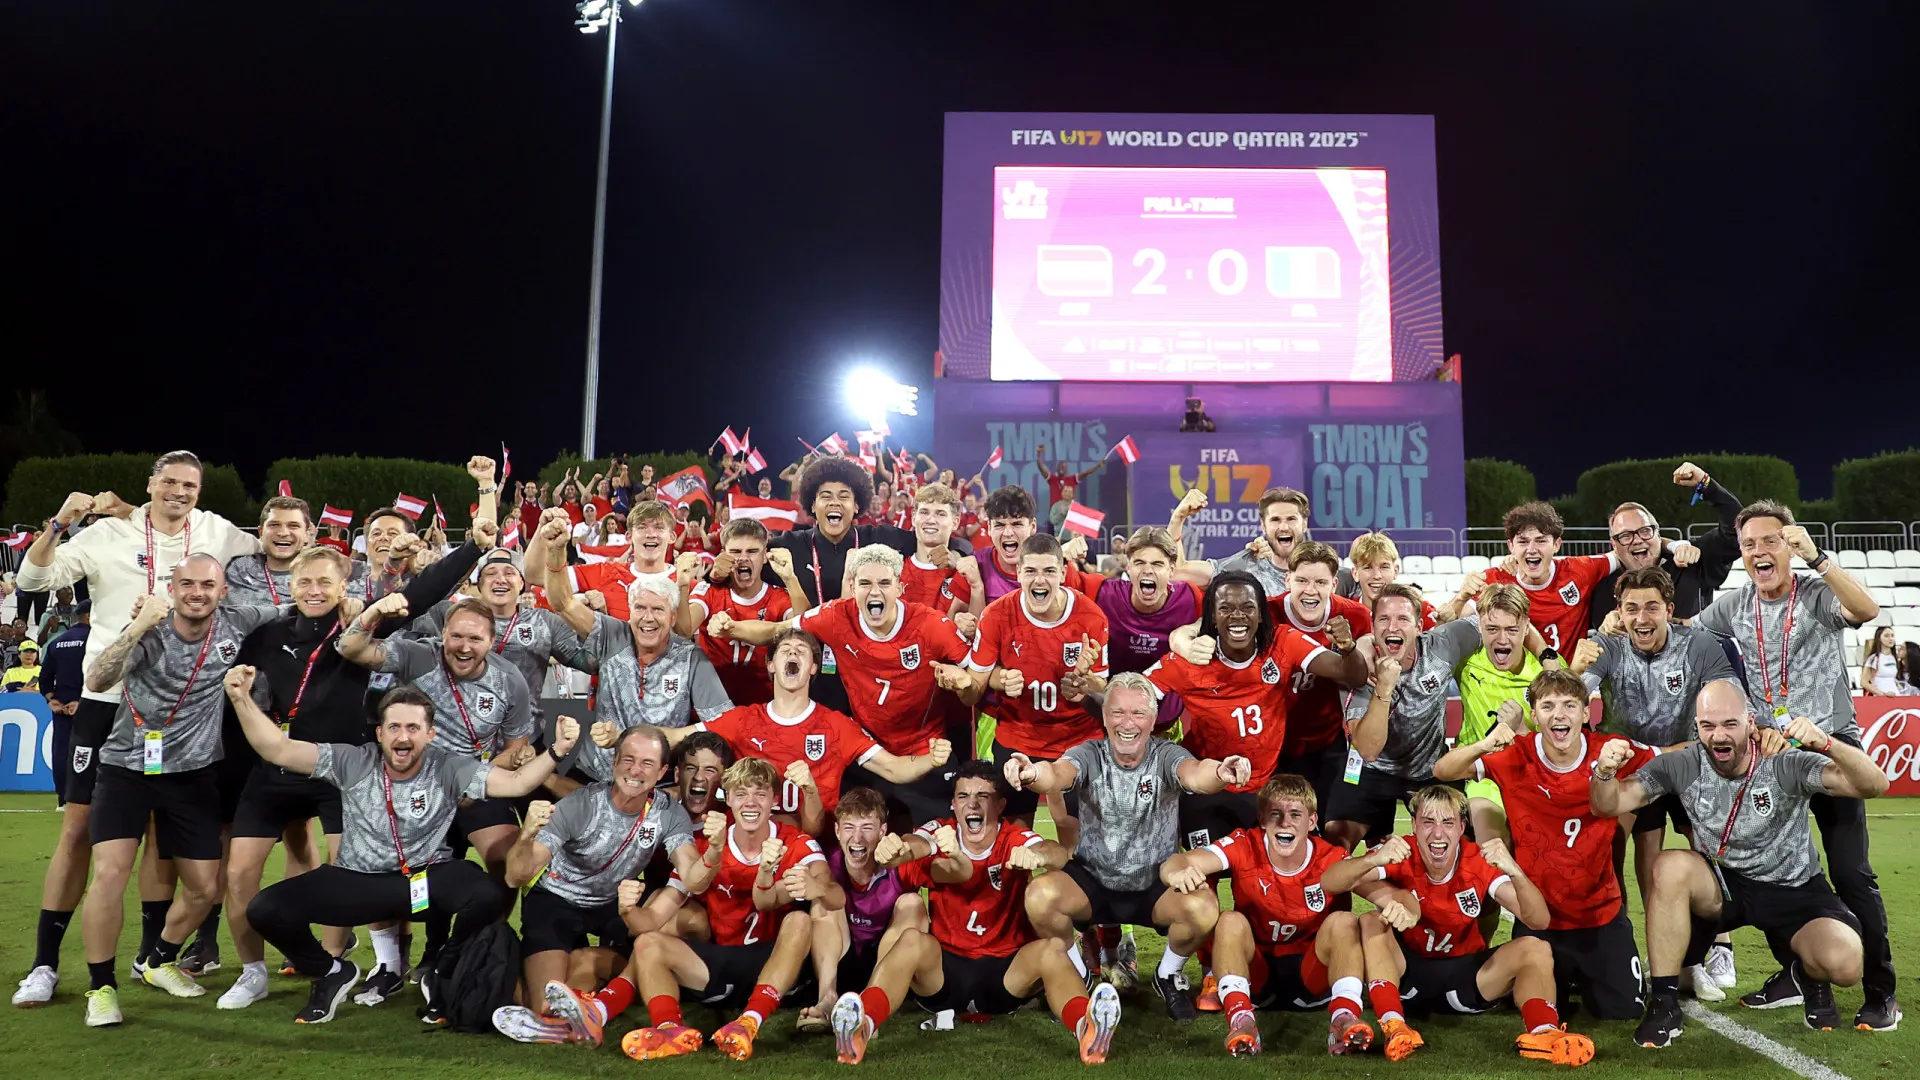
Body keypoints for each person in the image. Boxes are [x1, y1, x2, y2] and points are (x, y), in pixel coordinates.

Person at [11, 452, 262, 1008]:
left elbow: (275, 553)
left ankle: (154, 959)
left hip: (179, 711)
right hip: (106, 699)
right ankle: (45, 965)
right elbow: (34, 576)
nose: (178, 492)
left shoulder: (216, 531)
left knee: (164, 840)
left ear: (200, 490)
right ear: (150, 484)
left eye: (189, 484)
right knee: (78, 833)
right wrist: (59, 524)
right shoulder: (106, 535)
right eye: (168, 482)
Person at [232, 679, 575, 1024]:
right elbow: (277, 748)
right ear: (379, 733)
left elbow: (517, 783)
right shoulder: (352, 760)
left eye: (413, 727)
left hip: (424, 881)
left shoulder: (449, 766)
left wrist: (557, 750)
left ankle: (442, 969)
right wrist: (241, 697)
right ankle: (331, 972)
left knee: (486, 892)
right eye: (394, 727)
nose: (403, 736)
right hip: (359, 882)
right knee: (265, 909)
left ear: (430, 735)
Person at [1688, 500, 1898, 1029]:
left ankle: (1881, 991)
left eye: (1771, 541)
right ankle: (1796, 971)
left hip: (1827, 742)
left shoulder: (1816, 594)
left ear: (1789, 545)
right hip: (1768, 754)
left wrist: (1819, 558)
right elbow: (1685, 628)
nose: (1760, 551)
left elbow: (1867, 611)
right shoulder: (1735, 606)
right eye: (1750, 544)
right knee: (1768, 869)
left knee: (1851, 873)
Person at [1593, 681, 1891, 1045]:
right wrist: (1605, 773)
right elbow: (1609, 805)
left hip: (1794, 888)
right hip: (1724, 885)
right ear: (1697, 727)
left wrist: (1825, 743)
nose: (1718, 735)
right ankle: (1665, 1004)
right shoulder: (1683, 764)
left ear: (1751, 722)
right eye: (1708, 726)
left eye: (1729, 724)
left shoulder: (1783, 760)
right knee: (1669, 866)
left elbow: (1875, 785)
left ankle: (1804, 974)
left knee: (1845, 965)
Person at [70, 554, 279, 1025]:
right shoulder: (152, 630)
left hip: (192, 774)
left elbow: (299, 605)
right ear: (173, 586)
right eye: (187, 584)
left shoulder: (239, 620)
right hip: (126, 767)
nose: (197, 593)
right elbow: (97, 678)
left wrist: (355, 605)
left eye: (208, 584)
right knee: (109, 875)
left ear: (223, 590)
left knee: (206, 887)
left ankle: (157, 960)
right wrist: (138, 625)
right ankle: (101, 988)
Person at [829, 760, 1120, 1066]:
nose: (972, 803)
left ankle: (1085, 1027)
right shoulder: (941, 833)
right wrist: (897, 848)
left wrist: (1037, 855)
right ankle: (863, 1025)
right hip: (945, 973)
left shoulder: (1012, 838)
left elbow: (1058, 853)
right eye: (964, 796)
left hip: (1005, 973)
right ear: (953, 804)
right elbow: (917, 843)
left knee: (1051, 949)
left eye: (983, 796)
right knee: (912, 940)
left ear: (1000, 805)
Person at [1007, 672, 1253, 1021]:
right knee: (1039, 896)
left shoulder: (1167, 754)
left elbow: (1196, 773)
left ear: (1153, 719)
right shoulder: (1088, 754)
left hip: (1154, 883)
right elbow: (1057, 774)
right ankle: (1078, 973)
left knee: (1202, 907)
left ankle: (1167, 974)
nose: (1127, 722)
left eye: (1138, 713)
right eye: (1118, 712)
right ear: (1105, 716)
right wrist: (1033, 774)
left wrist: (1222, 772)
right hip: (1093, 879)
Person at [1434, 669, 1655, 1022]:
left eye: (1570, 704)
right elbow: (1444, 770)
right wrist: (1483, 744)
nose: (1559, 714)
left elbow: (1672, 757)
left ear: (1586, 713)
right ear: (1534, 716)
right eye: (1548, 705)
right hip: (1541, 920)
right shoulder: (1514, 755)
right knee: (1541, 1006)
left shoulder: (1609, 750)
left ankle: (1592, 972)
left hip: (1599, 916)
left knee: (1623, 1011)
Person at [1321, 786, 1596, 1067]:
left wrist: (1514, 870)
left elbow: (1539, 920)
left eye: (1447, 823)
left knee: (1535, 948)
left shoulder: (1476, 859)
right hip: (1407, 978)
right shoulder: (1401, 851)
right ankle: (1394, 1025)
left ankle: (1543, 1033)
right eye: (1428, 822)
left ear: (1461, 827)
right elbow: (1329, 882)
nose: (1438, 834)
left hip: (1466, 980)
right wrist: (1374, 859)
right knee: (1371, 920)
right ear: (1414, 825)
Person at [709, 546, 973, 828]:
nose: (874, 592)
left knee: (941, 844)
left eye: (884, 583)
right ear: (852, 586)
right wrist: (731, 628)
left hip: (926, 753)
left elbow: (978, 681)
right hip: (868, 754)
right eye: (865, 583)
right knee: (855, 837)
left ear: (899, 587)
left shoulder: (931, 624)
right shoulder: (836, 616)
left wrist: (964, 682)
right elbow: (777, 631)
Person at [1569, 566, 1737, 991]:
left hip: (1687, 763)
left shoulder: (1699, 645)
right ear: (1619, 613)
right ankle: (1625, 950)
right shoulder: (1604, 646)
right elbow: (1567, 702)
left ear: (1669, 610)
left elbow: (1727, 705)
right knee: (1616, 849)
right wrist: (1574, 670)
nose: (1641, 618)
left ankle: (1709, 950)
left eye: (1651, 608)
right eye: (1631, 609)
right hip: (1630, 767)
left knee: (1709, 847)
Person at [606, 756, 830, 1062]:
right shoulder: (705, 845)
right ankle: (670, 1030)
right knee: (647, 943)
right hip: (719, 963)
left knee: (799, 920)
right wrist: (628, 910)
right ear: (729, 799)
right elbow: (653, 918)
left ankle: (749, 1022)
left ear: (774, 800)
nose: (750, 803)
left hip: (775, 961)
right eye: (741, 794)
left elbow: (829, 888)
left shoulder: (796, 842)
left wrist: (816, 885)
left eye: (760, 794)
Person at [491, 726, 703, 1046]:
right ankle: (532, 994)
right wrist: (526, 835)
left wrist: (713, 852)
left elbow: (692, 873)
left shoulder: (669, 813)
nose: (635, 770)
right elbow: (515, 877)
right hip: (557, 899)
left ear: (662, 772)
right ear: (614, 762)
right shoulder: (579, 805)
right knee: (544, 1005)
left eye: (647, 763)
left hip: (613, 905)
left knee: (646, 957)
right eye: (627, 759)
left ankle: (575, 1001)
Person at [1141, 570, 1364, 850]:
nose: (1237, 616)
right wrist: (1088, 690)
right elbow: (1128, 698)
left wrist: (1347, 646)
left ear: (1261, 615)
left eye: (1247, 608)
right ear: (1211, 616)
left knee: (1287, 870)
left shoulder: (1283, 642)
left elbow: (1351, 675)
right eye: (1225, 608)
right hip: (1208, 789)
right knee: (1206, 873)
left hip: (1265, 789)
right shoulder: (1188, 660)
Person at [1156, 773, 1374, 1057]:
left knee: (1345, 921)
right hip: (1255, 977)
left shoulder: (1329, 856)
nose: (1285, 822)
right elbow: (1182, 859)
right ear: (1262, 819)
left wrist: (1395, 901)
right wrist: (1175, 871)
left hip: (1313, 976)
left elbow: (1378, 887)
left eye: (1295, 814)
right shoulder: (1243, 844)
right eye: (1275, 814)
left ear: (1311, 821)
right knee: (1229, 920)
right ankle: (1242, 1021)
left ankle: (1343, 1018)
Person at [661, 628, 953, 835]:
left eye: (801, 652)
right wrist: (624, 737)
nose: (793, 654)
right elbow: (676, 737)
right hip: (753, 844)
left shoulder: (837, 725)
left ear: (813, 668)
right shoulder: (741, 720)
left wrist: (932, 760)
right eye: (785, 651)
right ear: (771, 665)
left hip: (814, 850)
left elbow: (893, 769)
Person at [337, 593, 537, 874]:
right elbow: (351, 649)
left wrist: (473, 781)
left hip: (476, 781)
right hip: (418, 784)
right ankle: (402, 919)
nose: (464, 647)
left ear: (492, 642)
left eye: (475, 639)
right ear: (443, 633)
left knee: (506, 858)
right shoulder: (418, 655)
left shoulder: (509, 679)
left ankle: (490, 920)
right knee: (394, 870)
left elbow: (516, 748)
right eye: (456, 636)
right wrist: (374, 612)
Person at [538, 533, 733, 781]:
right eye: (640, 608)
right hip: (595, 774)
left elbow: (724, 723)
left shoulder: (690, 657)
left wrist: (667, 737)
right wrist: (556, 550)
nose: (647, 618)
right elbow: (563, 603)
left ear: (673, 617)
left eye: (658, 609)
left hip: (656, 781)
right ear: (630, 612)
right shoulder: (613, 633)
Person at [1322, 584, 1486, 851]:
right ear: (1373, 627)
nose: (1392, 627)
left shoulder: (1442, 647)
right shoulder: (1358, 667)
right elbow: (1369, 750)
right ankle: (1380, 883)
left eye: (1403, 619)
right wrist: (1383, 689)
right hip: (1369, 770)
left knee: (1467, 844)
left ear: (1419, 626)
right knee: (1334, 844)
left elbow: (1494, 620)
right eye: (1384, 619)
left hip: (1429, 769)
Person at [965, 534, 1112, 824]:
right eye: (1031, 571)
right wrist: (999, 679)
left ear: (1063, 572)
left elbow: (1102, 688)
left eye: (1049, 571)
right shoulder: (996, 615)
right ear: (1018, 572)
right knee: (1013, 839)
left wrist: (1085, 684)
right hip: (1018, 738)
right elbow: (974, 684)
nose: (1039, 580)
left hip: (1077, 742)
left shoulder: (1091, 617)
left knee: (1079, 844)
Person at [1588, 462, 1742, 627]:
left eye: (1645, 530)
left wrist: (1706, 484)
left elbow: (1736, 532)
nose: (1638, 539)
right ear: (1614, 543)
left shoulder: (1692, 559)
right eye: (1626, 536)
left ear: (1658, 533)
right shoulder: (1599, 582)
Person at [1459, 501, 1621, 653]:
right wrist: (1461, 597)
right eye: (1523, 542)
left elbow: (1623, 554)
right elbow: (1456, 622)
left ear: (1556, 545)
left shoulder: (1581, 570)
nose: (1531, 549)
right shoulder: (1495, 579)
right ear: (1511, 546)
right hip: (1518, 681)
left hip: (1570, 678)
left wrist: (1618, 611)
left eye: (1540, 541)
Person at [680, 518, 809, 706]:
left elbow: (805, 630)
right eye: (735, 551)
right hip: (710, 706)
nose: (743, 558)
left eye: (752, 551)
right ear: (723, 555)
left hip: (764, 707)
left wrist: (790, 578)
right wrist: (682, 585)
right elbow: (684, 631)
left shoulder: (779, 596)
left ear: (765, 556)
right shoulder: (709, 592)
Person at [225, 496, 368, 607]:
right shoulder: (236, 570)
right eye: (274, 525)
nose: (283, 532)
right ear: (261, 532)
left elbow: (382, 578)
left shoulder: (340, 568)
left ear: (307, 534)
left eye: (293, 526)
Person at [37, 602, 89, 808]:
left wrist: (52, 699)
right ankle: (86, 799)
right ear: (87, 616)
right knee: (90, 751)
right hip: (89, 705)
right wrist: (81, 700)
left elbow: (45, 679)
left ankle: (63, 800)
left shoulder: (57, 642)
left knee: (61, 752)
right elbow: (99, 674)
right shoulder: (95, 640)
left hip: (62, 709)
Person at [1861, 625, 1903, 695]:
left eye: (1892, 636)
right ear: (1879, 638)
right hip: (1881, 699)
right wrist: (1882, 694)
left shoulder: (1893, 657)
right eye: (1886, 636)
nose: (1891, 638)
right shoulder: (1874, 658)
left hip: (1896, 696)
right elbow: (1864, 682)